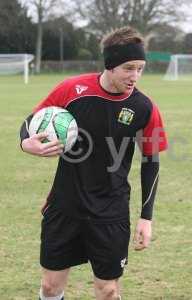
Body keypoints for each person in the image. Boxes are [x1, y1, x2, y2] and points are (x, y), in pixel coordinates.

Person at [19, 26, 168, 300]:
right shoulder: (72, 90)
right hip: (65, 205)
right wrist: (24, 141)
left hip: (110, 210)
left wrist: (146, 218)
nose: (135, 76)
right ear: (110, 65)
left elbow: (152, 162)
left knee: (108, 291)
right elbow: (33, 121)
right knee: (51, 286)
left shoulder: (144, 107)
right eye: (128, 68)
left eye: (140, 68)